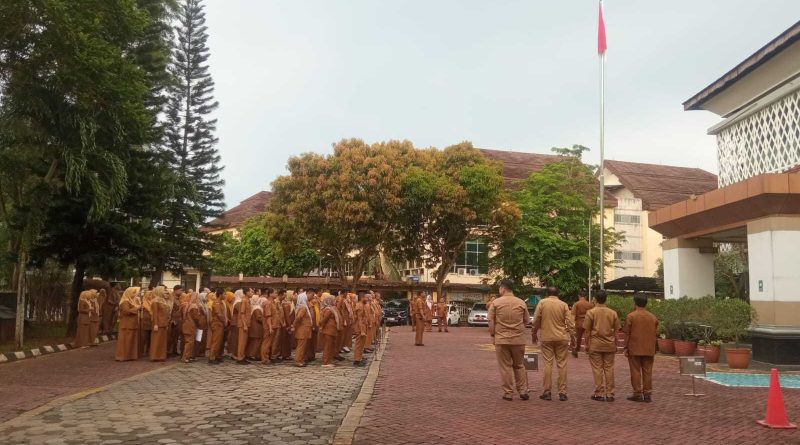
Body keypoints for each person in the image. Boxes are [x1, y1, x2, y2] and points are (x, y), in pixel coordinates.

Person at [488, 279, 531, 401]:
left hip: (502, 339)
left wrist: (493, 335)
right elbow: (527, 320)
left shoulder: (496, 303)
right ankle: (522, 390)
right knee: (519, 365)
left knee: (505, 367)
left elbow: (490, 321)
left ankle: (508, 393)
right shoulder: (521, 302)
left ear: (503, 289)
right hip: (518, 339)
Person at [531, 286, 574, 401]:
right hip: (562, 337)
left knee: (548, 364)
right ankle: (563, 392)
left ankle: (547, 392)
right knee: (562, 365)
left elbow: (535, 320)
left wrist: (534, 333)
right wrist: (573, 336)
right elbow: (570, 322)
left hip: (546, 337)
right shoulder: (563, 304)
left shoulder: (542, 303)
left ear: (547, 293)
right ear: (558, 294)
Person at [584, 290, 620, 402]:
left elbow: (587, 331)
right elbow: (617, 331)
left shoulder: (591, 312)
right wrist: (616, 343)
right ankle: (610, 393)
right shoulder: (613, 313)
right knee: (609, 368)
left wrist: (587, 344)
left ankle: (599, 393)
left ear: (595, 299)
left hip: (595, 344)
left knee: (597, 369)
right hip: (609, 344)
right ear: (606, 299)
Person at [623, 293, 658, 403]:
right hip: (649, 348)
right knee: (648, 371)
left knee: (635, 371)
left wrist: (625, 347)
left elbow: (627, 333)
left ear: (635, 302)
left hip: (634, 347)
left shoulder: (631, 316)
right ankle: (647, 393)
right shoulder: (653, 317)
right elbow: (655, 332)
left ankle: (637, 393)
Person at [115, 287, 141, 361]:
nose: (135, 294)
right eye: (134, 293)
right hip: (126, 324)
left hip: (132, 323)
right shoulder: (125, 301)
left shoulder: (132, 301)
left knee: (131, 340)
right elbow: (126, 311)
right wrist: (137, 308)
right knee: (125, 340)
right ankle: (122, 356)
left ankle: (130, 355)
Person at [320, 293, 342, 368]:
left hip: (332, 330)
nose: (335, 301)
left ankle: (328, 360)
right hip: (328, 330)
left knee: (331, 346)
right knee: (327, 346)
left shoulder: (332, 308)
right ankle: (325, 362)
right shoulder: (328, 310)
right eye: (334, 300)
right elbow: (324, 321)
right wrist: (322, 327)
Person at [571, 289, 594, 357]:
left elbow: (573, 315)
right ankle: (588, 349)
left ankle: (576, 350)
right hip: (588, 322)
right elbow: (593, 315)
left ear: (579, 296)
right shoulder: (590, 304)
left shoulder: (576, 304)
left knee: (578, 338)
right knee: (588, 337)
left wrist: (572, 325)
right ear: (586, 297)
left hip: (579, 322)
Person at [180, 292, 202, 364]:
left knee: (188, 342)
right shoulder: (193, 306)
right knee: (190, 342)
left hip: (185, 325)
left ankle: (187, 356)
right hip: (191, 326)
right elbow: (196, 318)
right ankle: (185, 357)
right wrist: (200, 323)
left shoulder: (184, 305)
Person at [149, 286, 170, 361]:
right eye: (163, 290)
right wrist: (155, 324)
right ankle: (154, 356)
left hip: (164, 323)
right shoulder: (155, 301)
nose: (165, 292)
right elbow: (155, 314)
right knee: (156, 340)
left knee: (162, 341)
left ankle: (161, 356)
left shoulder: (163, 300)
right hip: (158, 323)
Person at [292, 292, 313, 367]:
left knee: (302, 346)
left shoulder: (303, 306)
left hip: (304, 329)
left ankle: (300, 359)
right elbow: (298, 317)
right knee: (301, 346)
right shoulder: (303, 307)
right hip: (302, 329)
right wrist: (293, 325)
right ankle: (298, 361)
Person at [208, 290, 228, 364]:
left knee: (219, 341)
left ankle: (216, 356)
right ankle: (212, 357)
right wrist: (224, 321)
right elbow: (219, 314)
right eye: (224, 294)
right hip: (217, 324)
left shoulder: (221, 303)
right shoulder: (216, 303)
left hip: (220, 324)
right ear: (220, 295)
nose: (225, 296)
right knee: (215, 341)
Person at [260, 289, 277, 365]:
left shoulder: (272, 303)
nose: (276, 294)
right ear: (270, 294)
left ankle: (267, 357)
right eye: (275, 293)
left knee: (269, 343)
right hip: (268, 326)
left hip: (273, 325)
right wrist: (270, 327)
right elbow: (268, 316)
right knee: (266, 343)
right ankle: (264, 359)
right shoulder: (268, 303)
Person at [235, 289, 252, 364]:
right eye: (251, 292)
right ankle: (240, 358)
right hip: (243, 324)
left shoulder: (248, 300)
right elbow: (242, 313)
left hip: (247, 323)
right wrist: (244, 324)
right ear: (247, 292)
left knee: (244, 342)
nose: (252, 293)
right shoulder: (244, 301)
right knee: (242, 342)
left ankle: (243, 356)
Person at [246, 292, 265, 360]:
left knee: (255, 341)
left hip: (256, 327)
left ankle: (254, 354)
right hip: (256, 328)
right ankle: (252, 354)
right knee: (255, 342)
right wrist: (266, 321)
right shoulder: (257, 308)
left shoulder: (255, 307)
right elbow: (259, 318)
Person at [168, 285, 184, 357]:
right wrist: (172, 319)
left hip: (178, 319)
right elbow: (170, 309)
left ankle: (174, 350)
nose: (181, 292)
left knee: (176, 336)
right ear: (176, 290)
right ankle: (169, 351)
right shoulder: (171, 298)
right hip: (173, 320)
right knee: (171, 336)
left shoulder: (178, 298)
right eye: (180, 290)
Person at [271, 290, 287, 360]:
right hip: (277, 324)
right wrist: (282, 322)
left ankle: (277, 354)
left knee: (278, 341)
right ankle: (273, 355)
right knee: (275, 341)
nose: (285, 297)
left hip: (280, 324)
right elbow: (277, 315)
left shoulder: (280, 303)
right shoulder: (276, 302)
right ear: (280, 295)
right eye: (284, 295)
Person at [352, 293, 368, 367]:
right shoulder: (359, 306)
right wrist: (361, 330)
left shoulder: (363, 305)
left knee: (362, 344)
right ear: (362, 298)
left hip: (363, 326)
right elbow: (359, 319)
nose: (367, 299)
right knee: (359, 344)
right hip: (359, 327)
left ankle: (360, 358)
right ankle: (357, 360)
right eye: (366, 298)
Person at [227, 290, 243, 359]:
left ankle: (235, 353)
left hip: (236, 322)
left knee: (236, 338)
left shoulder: (238, 301)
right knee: (235, 339)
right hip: (236, 322)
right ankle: (234, 354)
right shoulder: (238, 302)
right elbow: (242, 312)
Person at [140, 288, 154, 356]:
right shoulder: (143, 303)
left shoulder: (152, 302)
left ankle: (148, 351)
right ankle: (141, 351)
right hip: (145, 322)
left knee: (150, 338)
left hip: (151, 322)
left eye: (151, 294)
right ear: (145, 295)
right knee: (143, 338)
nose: (150, 296)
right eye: (149, 294)